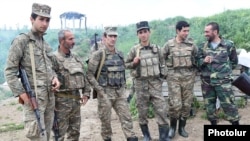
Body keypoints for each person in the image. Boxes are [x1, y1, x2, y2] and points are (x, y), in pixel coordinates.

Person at [4, 3, 60, 141]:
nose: (45, 23)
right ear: (32, 19)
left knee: (46, 136)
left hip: (49, 99)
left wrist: (55, 79)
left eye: (47, 20)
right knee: (37, 136)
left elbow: (50, 68)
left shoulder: (44, 44)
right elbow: (10, 72)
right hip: (33, 99)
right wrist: (22, 95)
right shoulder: (21, 41)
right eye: (41, 19)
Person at [86, 26, 138, 141]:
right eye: (110, 36)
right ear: (105, 37)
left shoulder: (120, 54)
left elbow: (123, 67)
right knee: (106, 124)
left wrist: (134, 64)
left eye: (115, 36)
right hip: (105, 95)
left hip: (120, 94)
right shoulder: (98, 55)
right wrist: (99, 90)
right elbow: (89, 74)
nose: (113, 39)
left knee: (127, 119)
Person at [125, 21, 170, 141]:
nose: (143, 35)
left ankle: (164, 136)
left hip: (155, 84)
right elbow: (126, 64)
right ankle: (146, 136)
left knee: (161, 110)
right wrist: (134, 63)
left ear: (149, 32)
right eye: (140, 32)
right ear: (138, 35)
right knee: (142, 112)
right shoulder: (134, 50)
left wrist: (162, 78)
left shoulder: (157, 49)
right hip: (141, 85)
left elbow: (163, 64)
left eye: (145, 32)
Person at [196, 22, 240, 125]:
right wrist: (203, 61)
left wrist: (223, 73)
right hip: (207, 84)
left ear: (215, 32)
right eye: (204, 31)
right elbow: (196, 62)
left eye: (207, 31)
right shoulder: (202, 46)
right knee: (210, 109)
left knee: (230, 108)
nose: (205, 34)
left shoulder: (228, 44)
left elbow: (234, 62)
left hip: (224, 84)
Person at [52, 29, 91, 140]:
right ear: (61, 40)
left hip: (75, 100)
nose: (73, 41)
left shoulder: (76, 57)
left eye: (73, 38)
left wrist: (86, 93)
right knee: (59, 134)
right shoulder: (54, 58)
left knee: (75, 132)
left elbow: (84, 75)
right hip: (60, 103)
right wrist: (51, 102)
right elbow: (49, 79)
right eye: (70, 39)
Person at [162, 21, 197, 138]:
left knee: (186, 105)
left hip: (188, 79)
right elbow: (161, 58)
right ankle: (172, 128)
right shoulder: (169, 44)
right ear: (177, 31)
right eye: (184, 31)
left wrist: (194, 72)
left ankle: (182, 128)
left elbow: (197, 58)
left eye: (188, 30)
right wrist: (165, 72)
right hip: (174, 79)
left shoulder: (191, 44)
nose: (186, 33)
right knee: (175, 105)